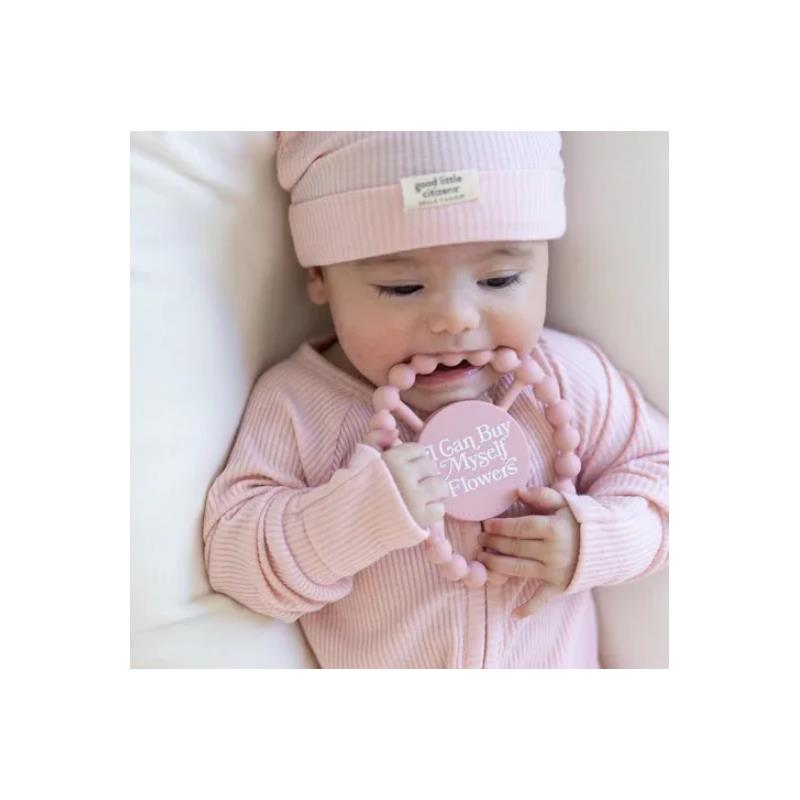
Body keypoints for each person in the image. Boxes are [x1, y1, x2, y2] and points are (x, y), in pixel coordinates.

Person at [201, 131, 668, 668]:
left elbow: (666, 475)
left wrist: (597, 541)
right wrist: (353, 518)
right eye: (403, 287)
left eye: (499, 279)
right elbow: (235, 561)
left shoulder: (564, 381)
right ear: (319, 276)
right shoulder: (299, 407)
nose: (455, 318)